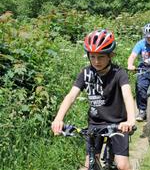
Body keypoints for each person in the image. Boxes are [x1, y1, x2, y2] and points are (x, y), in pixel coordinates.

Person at [51, 29, 136, 170]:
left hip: (118, 124)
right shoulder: (86, 73)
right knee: (89, 165)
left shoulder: (119, 73)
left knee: (122, 166)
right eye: (92, 57)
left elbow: (127, 96)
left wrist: (130, 120)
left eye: (101, 57)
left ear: (110, 55)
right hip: (95, 124)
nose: (96, 61)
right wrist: (58, 119)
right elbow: (71, 96)